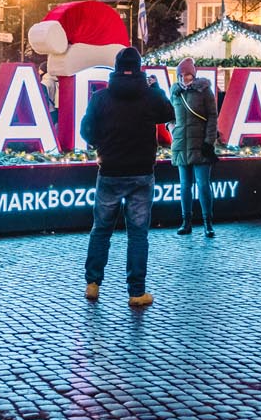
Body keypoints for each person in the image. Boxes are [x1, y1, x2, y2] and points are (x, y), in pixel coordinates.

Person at [81, 47, 175, 307]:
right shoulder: (150, 95)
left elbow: (86, 128)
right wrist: (156, 89)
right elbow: (169, 113)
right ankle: (136, 292)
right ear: (139, 67)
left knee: (101, 230)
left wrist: (100, 143)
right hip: (142, 173)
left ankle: (93, 283)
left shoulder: (101, 97)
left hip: (109, 170)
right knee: (137, 234)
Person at [169, 57, 219, 237]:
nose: (185, 79)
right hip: (181, 145)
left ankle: (207, 223)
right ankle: (186, 222)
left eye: (188, 75)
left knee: (203, 185)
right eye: (181, 76)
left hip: (200, 145)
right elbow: (169, 115)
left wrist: (209, 142)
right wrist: (172, 129)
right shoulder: (175, 92)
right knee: (184, 186)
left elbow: (212, 117)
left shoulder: (204, 91)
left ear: (194, 74)